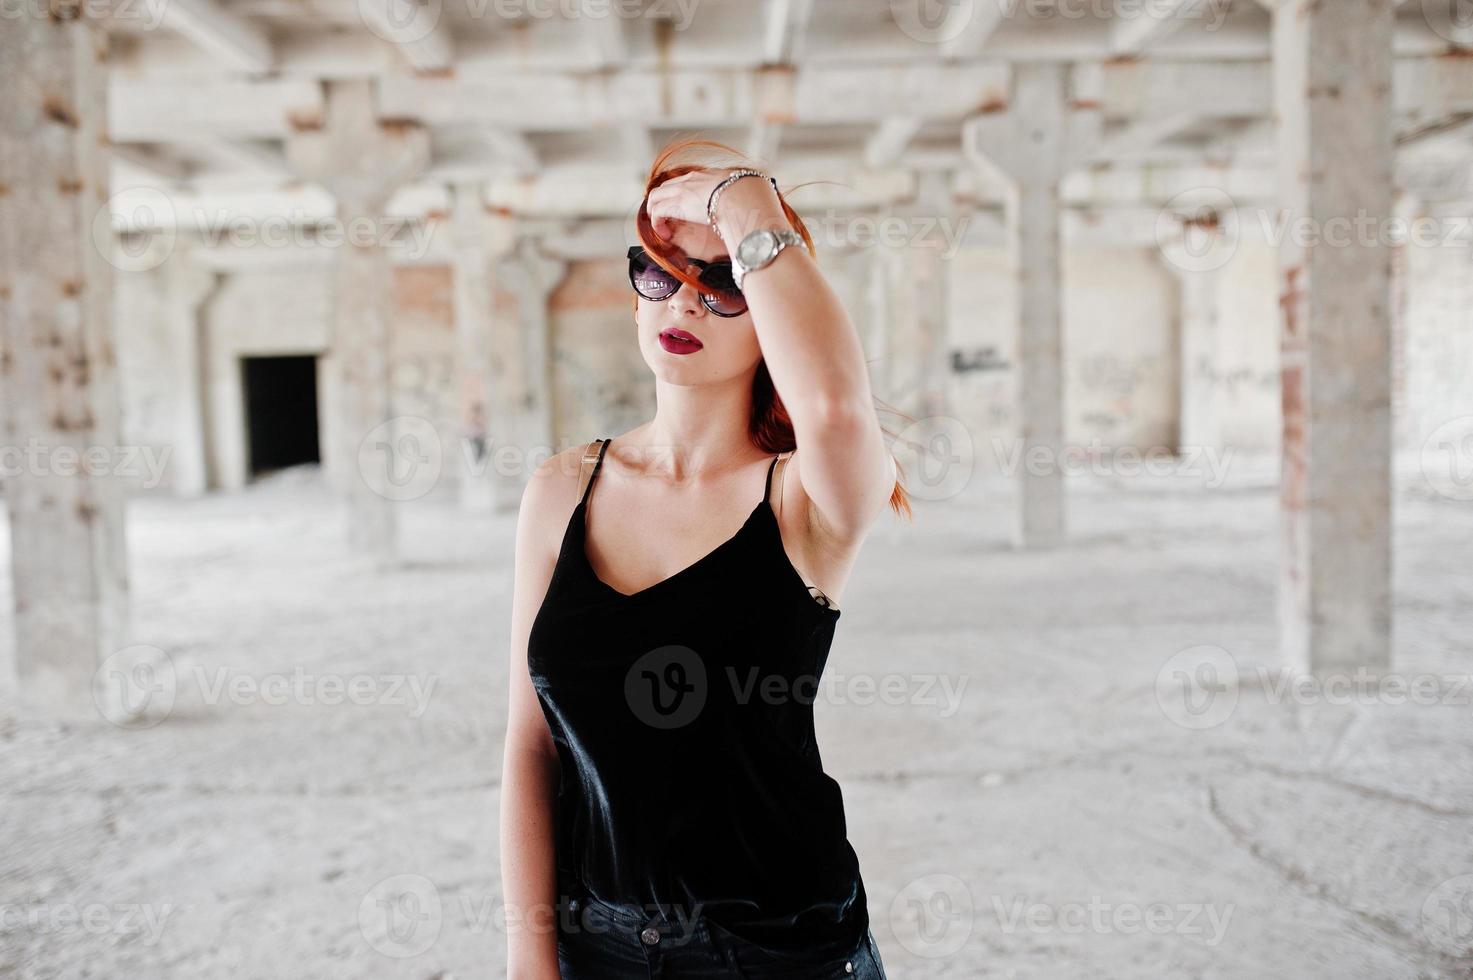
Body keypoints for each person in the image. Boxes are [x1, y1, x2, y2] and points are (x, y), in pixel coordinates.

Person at [500, 138, 911, 979]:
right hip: (598, 943)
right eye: (660, 273)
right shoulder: (562, 488)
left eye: (723, 283)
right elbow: (530, 745)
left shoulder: (807, 499)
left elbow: (832, 406)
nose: (682, 304)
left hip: (781, 949)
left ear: (773, 317)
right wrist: (530, 959)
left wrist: (744, 198)